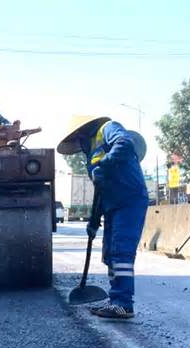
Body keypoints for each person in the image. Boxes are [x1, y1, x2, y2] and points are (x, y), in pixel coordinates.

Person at [57, 116, 148, 319]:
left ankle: (124, 304)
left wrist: (104, 165)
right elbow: (100, 191)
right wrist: (93, 220)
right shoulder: (91, 153)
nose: (78, 144)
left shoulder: (108, 128)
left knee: (121, 251)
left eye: (77, 138)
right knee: (109, 253)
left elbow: (125, 143)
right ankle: (116, 300)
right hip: (112, 204)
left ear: (83, 132)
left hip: (129, 199)